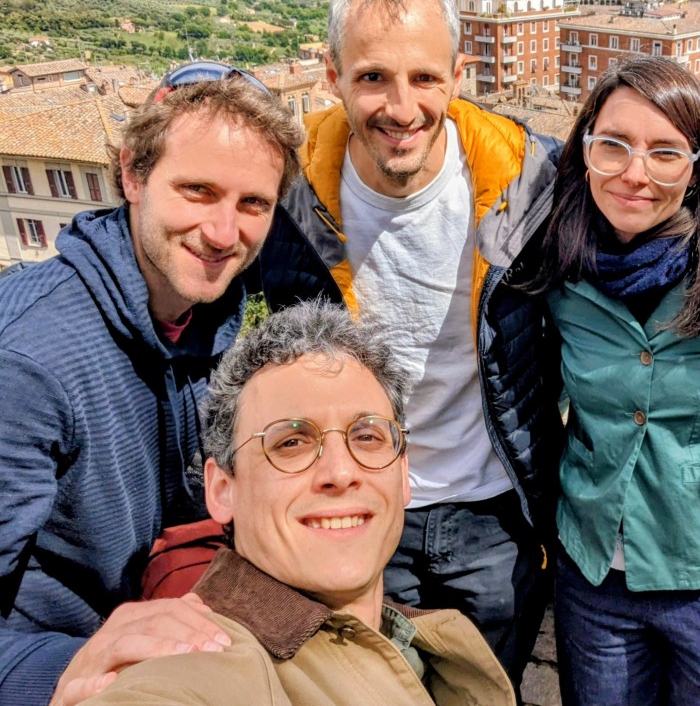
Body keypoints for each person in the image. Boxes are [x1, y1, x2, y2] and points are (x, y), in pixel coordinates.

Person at [257, 0, 565, 686]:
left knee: (488, 692)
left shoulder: (527, 180)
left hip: (493, 515)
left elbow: (647, 220)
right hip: (354, 506)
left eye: (424, 78)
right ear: (331, 74)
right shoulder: (288, 190)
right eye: (372, 78)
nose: (401, 107)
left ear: (459, 74)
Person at [0, 62, 303, 706]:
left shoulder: (209, 317)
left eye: (253, 204)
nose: (225, 234)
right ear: (132, 175)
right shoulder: (27, 361)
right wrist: (77, 664)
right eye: (197, 190)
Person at [79, 301, 517, 706]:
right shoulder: (198, 665)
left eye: (367, 436)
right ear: (222, 490)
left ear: (404, 475)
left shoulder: (422, 642)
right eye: (291, 442)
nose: (341, 472)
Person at [525, 56, 700, 704]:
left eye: (664, 152)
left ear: (697, 164)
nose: (634, 173)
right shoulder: (558, 262)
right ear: (584, 150)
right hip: (594, 575)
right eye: (613, 145)